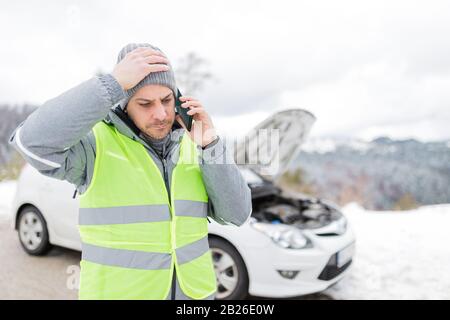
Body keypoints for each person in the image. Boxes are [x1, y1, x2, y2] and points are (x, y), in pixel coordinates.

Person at [9, 43, 252, 300]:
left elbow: (237, 214)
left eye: (167, 100)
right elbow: (31, 142)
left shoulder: (194, 146)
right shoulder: (95, 145)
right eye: (145, 103)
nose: (160, 113)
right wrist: (112, 83)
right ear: (124, 103)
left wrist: (210, 144)